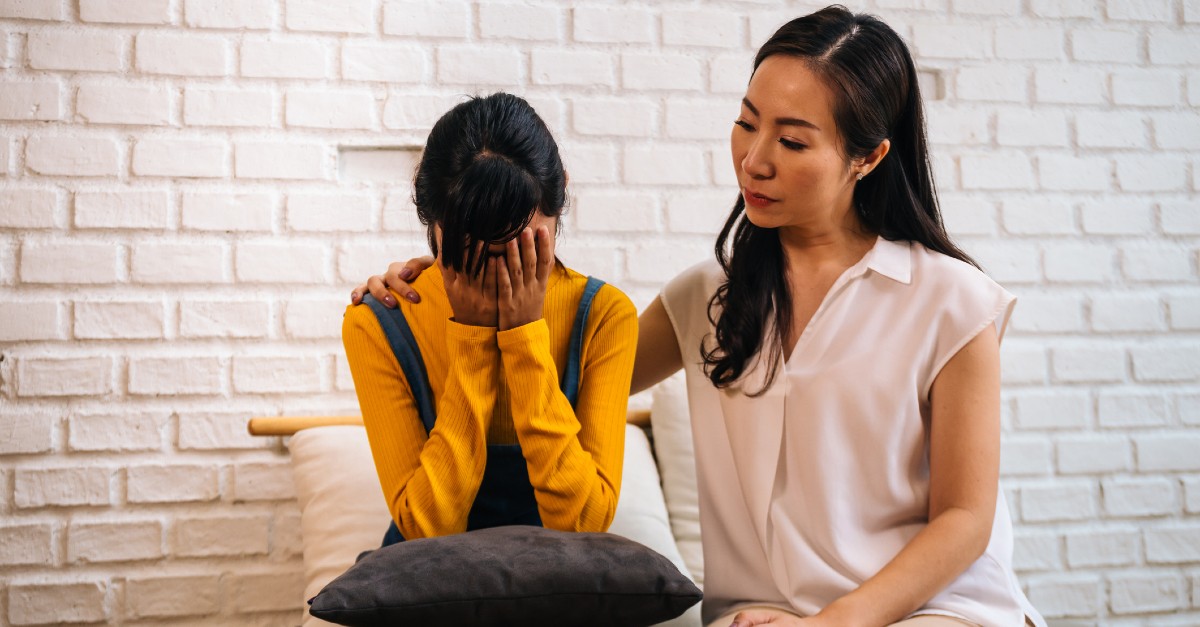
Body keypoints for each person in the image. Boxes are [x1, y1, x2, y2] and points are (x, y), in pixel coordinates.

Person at [351, 7, 1044, 627]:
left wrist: (837, 621)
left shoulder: (952, 299)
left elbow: (965, 518)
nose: (754, 158)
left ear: (868, 155)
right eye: (747, 121)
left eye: (792, 141)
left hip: (936, 609)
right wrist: (458, 266)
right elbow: (551, 375)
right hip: (762, 615)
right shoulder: (705, 297)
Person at [342, 92, 638, 546]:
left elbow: (584, 523)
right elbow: (426, 528)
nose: (502, 271)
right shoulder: (379, 321)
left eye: (522, 246)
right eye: (475, 253)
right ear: (433, 220)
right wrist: (474, 337)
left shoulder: (603, 316)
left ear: (560, 193)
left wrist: (523, 336)